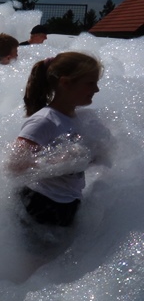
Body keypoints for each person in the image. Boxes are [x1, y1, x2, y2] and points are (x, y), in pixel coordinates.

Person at [9, 52, 103, 254]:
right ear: (66, 83)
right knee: (37, 261)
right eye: (90, 83)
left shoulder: (80, 118)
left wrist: (93, 156)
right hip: (40, 203)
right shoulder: (44, 121)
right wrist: (59, 163)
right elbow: (14, 165)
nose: (96, 89)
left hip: (67, 201)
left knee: (56, 260)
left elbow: (79, 160)